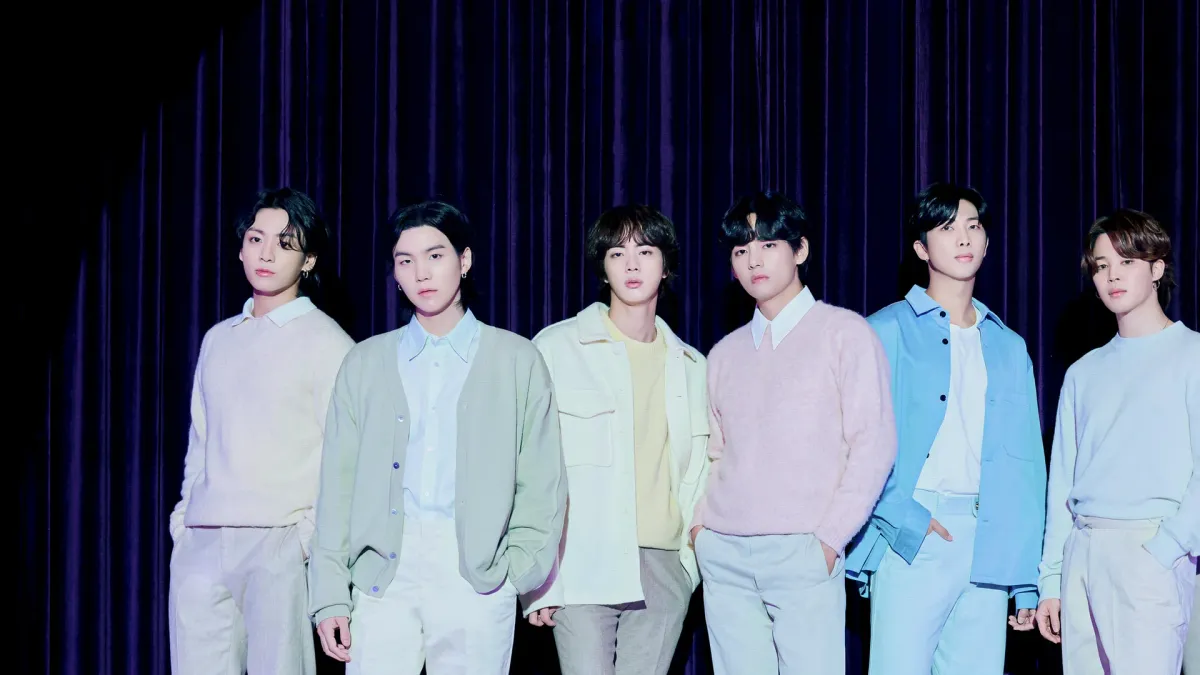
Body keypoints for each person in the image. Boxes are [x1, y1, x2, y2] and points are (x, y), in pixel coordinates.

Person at [307, 200, 568, 675]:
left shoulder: (516, 359)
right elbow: (336, 489)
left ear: (464, 261)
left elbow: (543, 478)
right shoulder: (365, 362)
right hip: (381, 572)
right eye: (405, 260)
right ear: (395, 272)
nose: (421, 273)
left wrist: (517, 572)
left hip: (476, 571)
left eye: (435, 255)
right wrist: (329, 594)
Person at [844, 183, 1047, 674]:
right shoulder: (883, 330)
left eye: (973, 226)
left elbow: (1027, 468)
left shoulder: (1009, 346)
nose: (963, 238)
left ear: (987, 242)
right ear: (921, 248)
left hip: (989, 541)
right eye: (947, 228)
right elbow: (848, 444)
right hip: (913, 532)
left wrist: (1026, 580)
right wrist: (902, 515)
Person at [691, 190, 897, 674]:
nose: (753, 260)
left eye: (768, 245)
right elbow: (716, 454)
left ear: (800, 250)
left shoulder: (844, 333)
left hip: (804, 550)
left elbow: (874, 445)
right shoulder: (724, 354)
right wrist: (702, 530)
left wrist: (828, 539)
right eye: (740, 250)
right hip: (724, 554)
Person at [168, 187, 355, 675]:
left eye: (285, 243)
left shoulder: (329, 342)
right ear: (240, 248)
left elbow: (345, 459)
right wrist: (184, 525)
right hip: (202, 541)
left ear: (309, 260)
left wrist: (303, 541)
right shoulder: (218, 339)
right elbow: (200, 443)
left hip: (278, 541)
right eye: (256, 239)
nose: (266, 253)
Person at [525, 206, 710, 675]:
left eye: (645, 252)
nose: (631, 264)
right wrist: (539, 582)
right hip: (581, 562)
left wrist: (687, 570)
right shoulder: (556, 347)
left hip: (663, 566)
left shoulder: (693, 366)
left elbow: (701, 477)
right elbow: (531, 469)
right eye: (616, 253)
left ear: (666, 266)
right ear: (602, 268)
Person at [1034, 209, 1199, 674]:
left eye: (1126, 262)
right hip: (1082, 552)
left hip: (1149, 549)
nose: (1112, 276)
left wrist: (1166, 549)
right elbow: (1062, 484)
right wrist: (1052, 579)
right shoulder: (1083, 373)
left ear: (1157, 267)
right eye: (1101, 265)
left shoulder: (1192, 355)